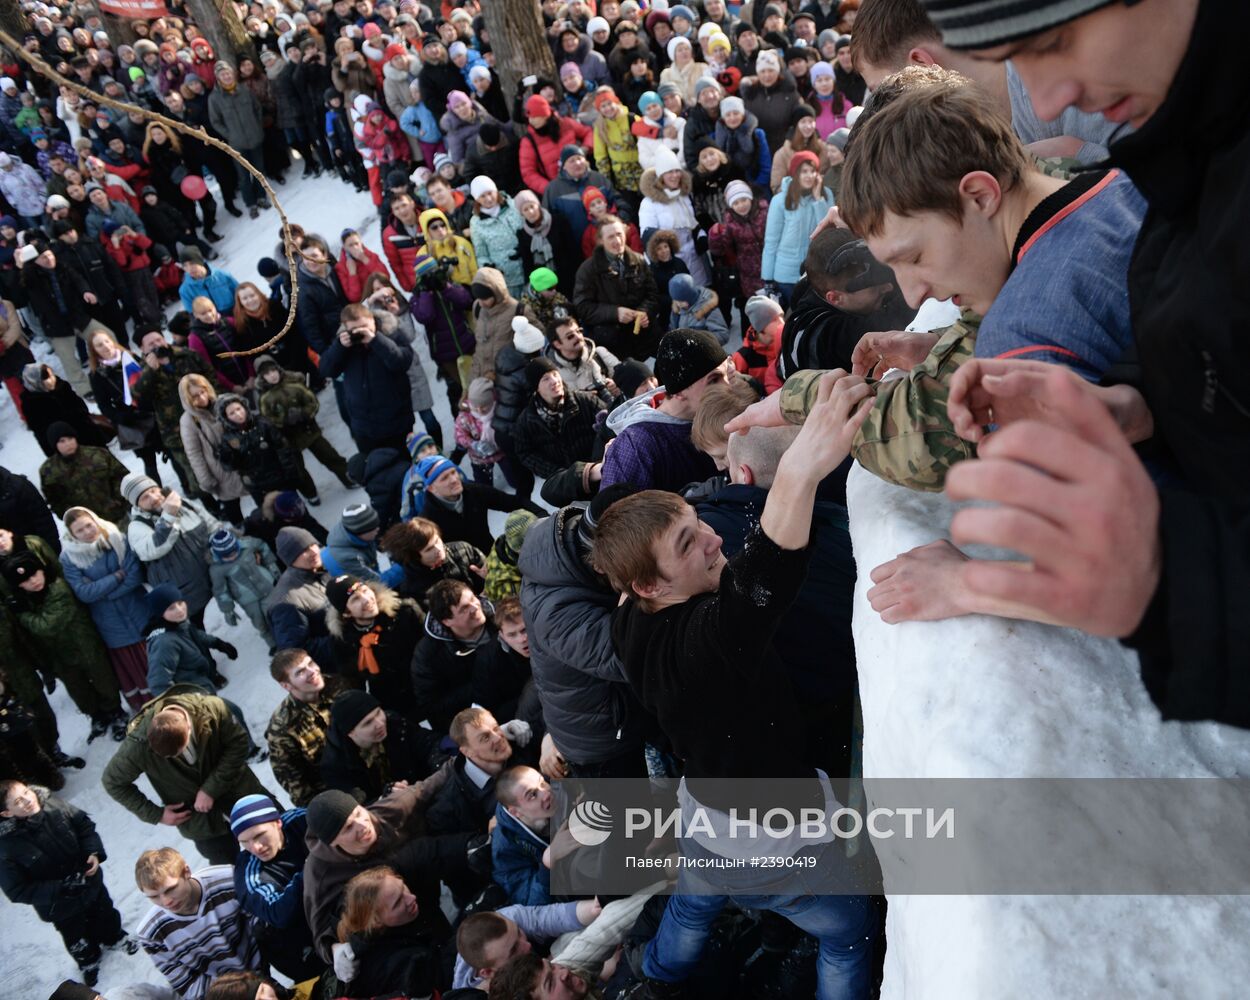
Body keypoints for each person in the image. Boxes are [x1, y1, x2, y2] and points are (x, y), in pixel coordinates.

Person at [591, 374, 878, 999]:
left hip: (706, 817)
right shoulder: (705, 645)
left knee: (694, 905)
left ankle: (656, 977)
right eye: (689, 542)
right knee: (847, 931)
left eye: (698, 522)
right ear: (649, 585)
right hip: (773, 841)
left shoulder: (630, 619)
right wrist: (802, 466)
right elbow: (764, 579)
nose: (715, 537)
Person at [103, 687, 274, 865]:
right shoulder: (137, 746)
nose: (175, 758)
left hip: (243, 794)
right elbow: (112, 782)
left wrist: (210, 789)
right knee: (229, 874)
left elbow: (238, 743)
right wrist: (156, 814)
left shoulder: (211, 709)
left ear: (189, 727)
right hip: (202, 824)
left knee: (284, 840)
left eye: (179, 751)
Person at [1, 545, 126, 742]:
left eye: (35, 574)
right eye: (25, 581)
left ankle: (116, 713)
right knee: (79, 690)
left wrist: (23, 614)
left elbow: (46, 626)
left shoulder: (58, 588)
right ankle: (96, 716)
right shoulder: (26, 600)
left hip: (84, 645)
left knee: (103, 680)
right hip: (59, 656)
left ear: (43, 570)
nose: (33, 581)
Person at [771, 225, 916, 390]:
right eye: (874, 287)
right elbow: (892, 320)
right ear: (835, 298)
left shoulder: (818, 280)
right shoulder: (828, 336)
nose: (887, 288)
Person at [600, 329, 727, 491]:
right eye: (714, 380)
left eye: (727, 376)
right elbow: (616, 513)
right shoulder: (635, 447)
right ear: (680, 391)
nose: (727, 387)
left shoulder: (717, 412)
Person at [134, 847, 260, 999]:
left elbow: (262, 923)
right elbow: (185, 981)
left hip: (258, 963)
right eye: (154, 897)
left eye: (170, 889)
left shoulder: (228, 880)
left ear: (186, 871)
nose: (166, 901)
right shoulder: (151, 933)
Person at [59, 507, 152, 712]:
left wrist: (104, 594)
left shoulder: (118, 539)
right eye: (79, 531)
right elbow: (84, 593)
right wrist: (116, 577)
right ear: (72, 534)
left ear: (96, 521)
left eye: (88, 525)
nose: (87, 532)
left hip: (139, 610)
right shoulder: (69, 558)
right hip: (111, 624)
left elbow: (134, 574)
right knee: (136, 667)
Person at [230, 795, 325, 982]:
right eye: (245, 842)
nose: (255, 847)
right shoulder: (249, 874)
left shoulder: (301, 820)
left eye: (259, 835)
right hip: (300, 945)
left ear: (277, 822)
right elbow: (279, 912)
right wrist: (312, 865)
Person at [122, 471, 221, 629]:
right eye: (144, 497)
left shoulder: (183, 503)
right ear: (136, 504)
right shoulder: (136, 527)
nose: (154, 498)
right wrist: (169, 515)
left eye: (153, 491)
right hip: (183, 589)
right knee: (194, 629)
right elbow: (157, 548)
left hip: (212, 571)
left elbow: (212, 526)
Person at [332, 865, 447, 999]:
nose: (412, 898)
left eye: (403, 886)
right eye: (398, 902)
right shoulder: (401, 965)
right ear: (376, 921)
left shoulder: (400, 921)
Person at [324, 574, 425, 720]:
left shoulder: (404, 613)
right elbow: (352, 681)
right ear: (346, 613)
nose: (366, 600)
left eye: (365, 591)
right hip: (393, 705)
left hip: (426, 689)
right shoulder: (343, 641)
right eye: (355, 599)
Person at [255, 354, 355, 498]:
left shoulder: (295, 383)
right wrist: (284, 420)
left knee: (330, 456)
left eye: (273, 371)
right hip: (289, 440)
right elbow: (268, 420)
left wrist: (303, 413)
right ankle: (310, 494)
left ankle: (348, 477)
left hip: (310, 431)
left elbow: (312, 402)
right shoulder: (265, 398)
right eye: (267, 374)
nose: (272, 376)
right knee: (298, 471)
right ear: (262, 377)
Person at [322, 302, 416, 454]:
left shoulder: (391, 332)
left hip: (396, 423)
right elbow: (326, 370)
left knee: (405, 468)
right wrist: (339, 347)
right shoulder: (344, 345)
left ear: (372, 319)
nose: (360, 332)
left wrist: (375, 339)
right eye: (354, 329)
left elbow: (401, 362)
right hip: (364, 427)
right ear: (346, 328)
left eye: (364, 326)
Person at [320, 689, 444, 803]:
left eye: (378, 712)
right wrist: (384, 798)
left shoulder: (394, 723)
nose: (379, 723)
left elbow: (430, 742)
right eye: (368, 722)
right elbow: (353, 807)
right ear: (350, 733)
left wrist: (439, 765)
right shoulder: (336, 765)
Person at [409, 455, 543, 554]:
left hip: (494, 556)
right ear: (431, 488)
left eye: (453, 472)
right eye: (444, 478)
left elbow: (514, 502)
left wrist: (543, 517)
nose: (454, 479)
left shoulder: (473, 491)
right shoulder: (427, 520)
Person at [266, 649, 346, 809]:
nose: (312, 672)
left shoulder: (338, 685)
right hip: (338, 796)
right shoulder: (283, 729)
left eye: (310, 663)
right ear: (286, 685)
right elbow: (298, 787)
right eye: (301, 672)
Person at [572, 217, 660, 358]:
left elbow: (653, 295)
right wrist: (615, 313)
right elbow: (582, 307)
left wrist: (644, 312)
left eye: (619, 234)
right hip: (613, 345)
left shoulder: (639, 260)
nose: (617, 241)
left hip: (645, 340)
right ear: (600, 240)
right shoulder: (587, 270)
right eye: (611, 237)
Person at [761, 151, 835, 306]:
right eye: (804, 171)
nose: (809, 176)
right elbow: (771, 241)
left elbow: (829, 231)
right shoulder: (780, 200)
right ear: (795, 173)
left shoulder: (825, 195)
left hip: (815, 273)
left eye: (812, 171)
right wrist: (768, 278)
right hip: (785, 275)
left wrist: (818, 200)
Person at [143, 583, 239, 696]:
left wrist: (218, 643)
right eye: (171, 608)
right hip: (193, 697)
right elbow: (158, 683)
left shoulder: (177, 624)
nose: (179, 610)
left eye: (180, 603)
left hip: (202, 685)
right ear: (160, 613)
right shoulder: (164, 642)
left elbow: (195, 634)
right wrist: (183, 705)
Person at [178, 373, 248, 526]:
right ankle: (245, 534)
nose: (202, 398)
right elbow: (193, 453)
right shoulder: (188, 421)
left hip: (243, 462)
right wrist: (205, 480)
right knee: (232, 507)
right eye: (195, 396)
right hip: (220, 471)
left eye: (203, 392)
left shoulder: (223, 402)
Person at [491, 766, 559, 906]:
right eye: (532, 795)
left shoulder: (560, 786)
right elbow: (530, 902)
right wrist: (548, 865)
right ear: (515, 812)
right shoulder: (505, 848)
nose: (546, 793)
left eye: (542, 783)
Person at [38, 423, 129, 524]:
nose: (68, 444)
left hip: (118, 515)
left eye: (70, 438)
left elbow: (122, 476)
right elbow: (55, 501)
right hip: (86, 526)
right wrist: (73, 517)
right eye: (62, 441)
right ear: (55, 444)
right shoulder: (49, 471)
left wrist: (118, 500)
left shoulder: (98, 454)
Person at [381, 515, 486, 601]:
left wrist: (488, 578)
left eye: (437, 541)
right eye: (429, 549)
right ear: (415, 556)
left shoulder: (463, 549)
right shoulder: (413, 589)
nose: (438, 549)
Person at [19, 363, 105, 460]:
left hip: (89, 436)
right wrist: (54, 457)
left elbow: (81, 406)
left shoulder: (62, 386)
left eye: (52, 375)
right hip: (67, 449)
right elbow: (41, 435)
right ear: (35, 381)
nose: (52, 380)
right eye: (46, 378)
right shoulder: (30, 404)